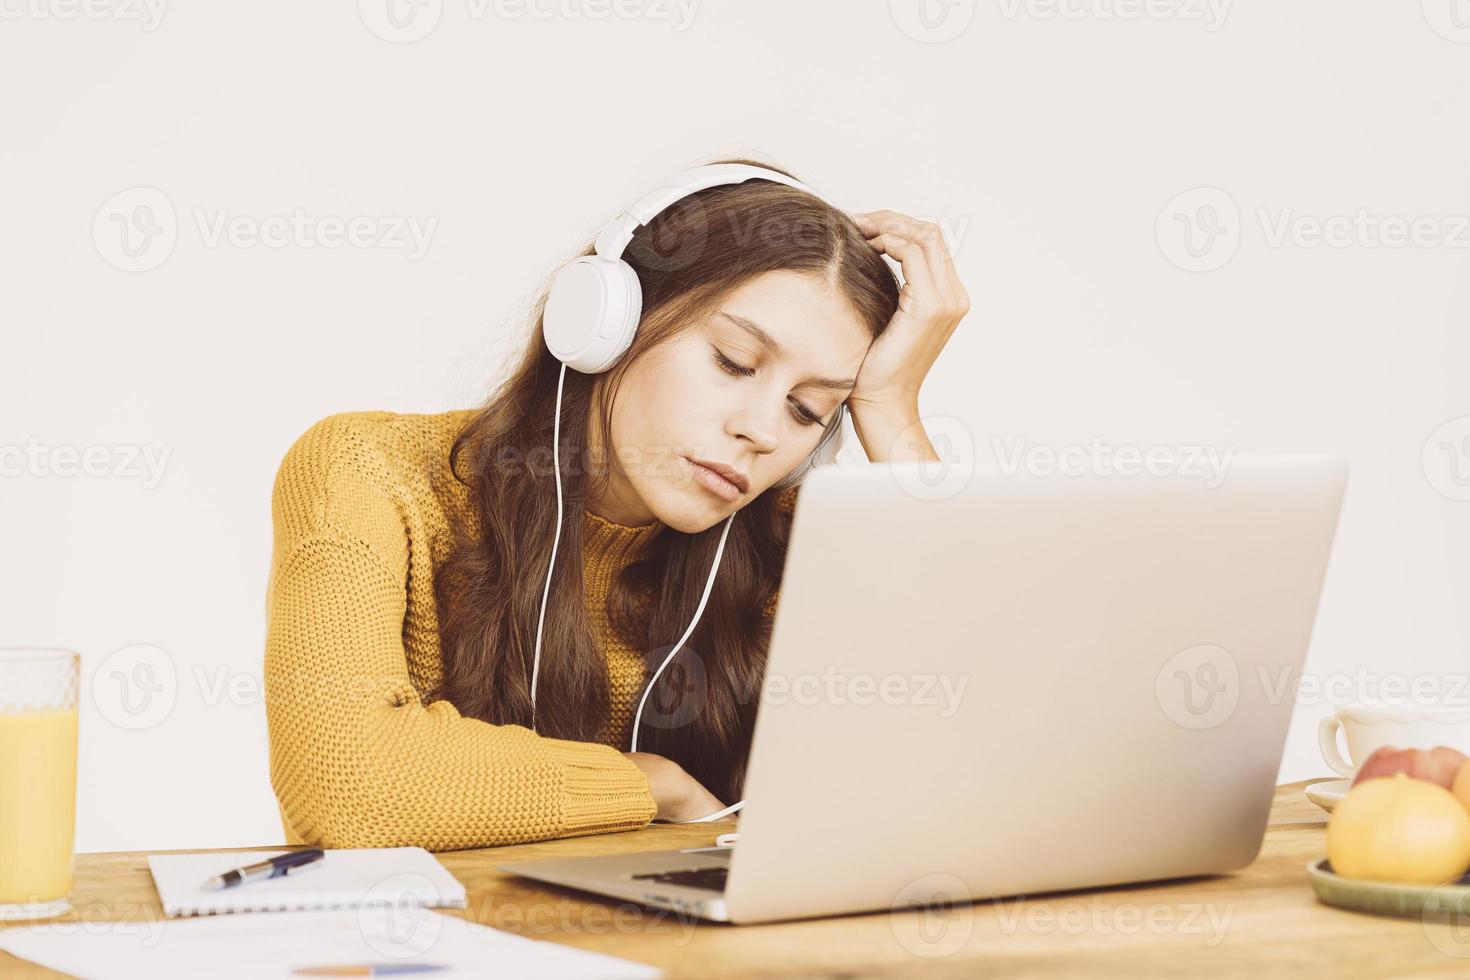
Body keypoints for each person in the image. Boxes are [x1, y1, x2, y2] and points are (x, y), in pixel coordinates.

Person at [262, 156, 969, 849]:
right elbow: (349, 786)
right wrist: (653, 784)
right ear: (606, 321)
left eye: (808, 410)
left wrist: (892, 411)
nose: (760, 431)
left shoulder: (793, 544)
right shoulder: (371, 473)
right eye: (732, 362)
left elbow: (971, 765)